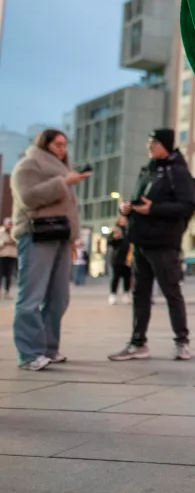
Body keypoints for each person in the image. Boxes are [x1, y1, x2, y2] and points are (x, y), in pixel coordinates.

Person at [109, 130, 195, 362]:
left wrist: (154, 209)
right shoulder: (148, 170)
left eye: (154, 143)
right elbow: (138, 199)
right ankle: (138, 342)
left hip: (164, 242)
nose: (149, 146)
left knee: (171, 292)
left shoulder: (177, 172)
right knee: (140, 293)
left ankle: (182, 341)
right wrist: (127, 209)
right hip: (140, 240)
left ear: (166, 145)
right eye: (148, 142)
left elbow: (187, 205)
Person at [10, 129, 89, 370]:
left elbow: (69, 210)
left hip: (61, 237)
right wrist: (62, 183)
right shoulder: (28, 165)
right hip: (36, 235)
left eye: (65, 144)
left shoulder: (63, 170)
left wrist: (74, 239)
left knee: (59, 298)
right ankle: (29, 353)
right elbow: (27, 197)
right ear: (45, 144)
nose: (62, 149)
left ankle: (48, 348)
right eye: (57, 144)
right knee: (31, 297)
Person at [107, 215, 132, 305]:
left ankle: (126, 294)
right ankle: (113, 295)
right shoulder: (115, 230)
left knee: (127, 277)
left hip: (128, 258)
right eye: (122, 220)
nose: (123, 221)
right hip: (117, 258)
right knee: (116, 277)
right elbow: (109, 242)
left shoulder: (130, 230)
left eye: (125, 220)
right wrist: (114, 238)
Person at [0, 218, 17, 300]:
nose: (10, 225)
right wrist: (4, 243)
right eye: (8, 224)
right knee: (0, 273)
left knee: (9, 274)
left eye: (11, 224)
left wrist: (12, 240)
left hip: (12, 255)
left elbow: (18, 242)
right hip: (2, 255)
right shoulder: (1, 232)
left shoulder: (14, 232)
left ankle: (7, 291)